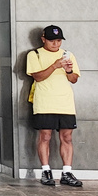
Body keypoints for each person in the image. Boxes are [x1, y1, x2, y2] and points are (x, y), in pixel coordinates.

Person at [27, 25, 81, 187]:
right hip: (44, 102)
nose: (56, 44)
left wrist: (69, 71)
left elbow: (74, 79)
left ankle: (67, 172)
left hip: (65, 102)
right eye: (52, 41)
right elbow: (37, 76)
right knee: (45, 136)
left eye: (58, 41)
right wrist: (55, 66)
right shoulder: (34, 54)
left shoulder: (68, 55)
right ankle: (46, 171)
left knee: (67, 137)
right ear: (43, 39)